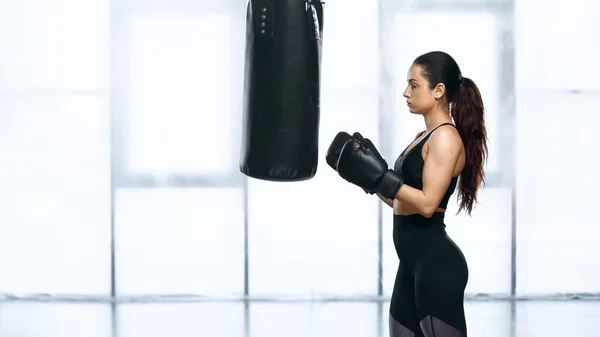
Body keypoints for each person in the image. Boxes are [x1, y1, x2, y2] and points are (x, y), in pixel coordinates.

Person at [326, 51, 488, 337]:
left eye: (414, 85)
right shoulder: (423, 137)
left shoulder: (445, 138)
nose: (406, 92)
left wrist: (383, 177)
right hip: (412, 264)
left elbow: (427, 205)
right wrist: (370, 181)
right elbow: (401, 202)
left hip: (436, 265)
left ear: (438, 91)